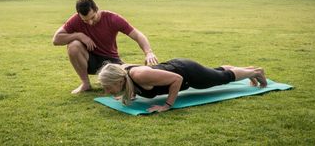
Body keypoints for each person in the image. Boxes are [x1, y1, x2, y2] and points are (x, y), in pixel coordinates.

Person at [52, 0, 158, 94]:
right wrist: (79, 35)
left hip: (111, 61)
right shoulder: (76, 20)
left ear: (97, 9)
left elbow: (137, 35)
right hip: (89, 60)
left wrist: (148, 52)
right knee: (73, 45)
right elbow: (56, 39)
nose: (90, 22)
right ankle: (85, 84)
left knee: (137, 79)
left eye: (92, 17)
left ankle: (161, 72)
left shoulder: (112, 18)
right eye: (85, 20)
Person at [97, 58, 267, 113]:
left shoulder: (139, 75)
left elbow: (176, 79)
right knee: (216, 73)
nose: (107, 91)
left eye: (108, 86)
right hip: (180, 66)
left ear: (118, 80)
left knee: (222, 78)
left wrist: (167, 105)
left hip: (188, 73)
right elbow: (130, 85)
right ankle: (247, 70)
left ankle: (256, 72)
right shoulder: (122, 73)